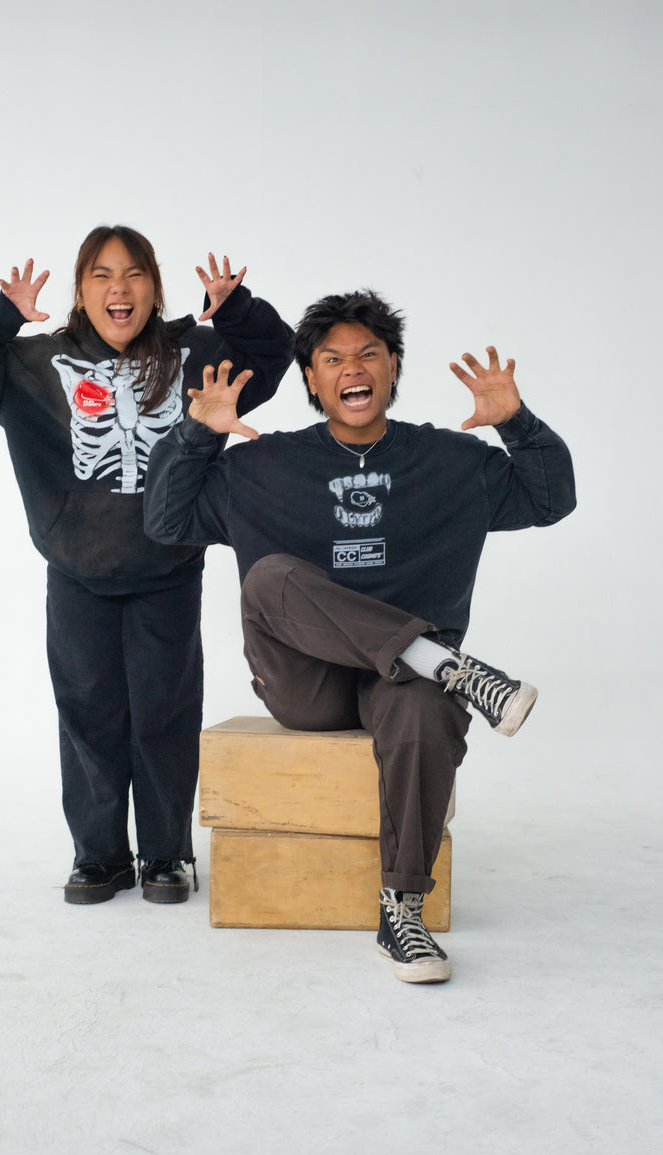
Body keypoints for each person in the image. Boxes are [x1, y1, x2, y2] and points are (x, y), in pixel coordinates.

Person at [143, 289, 576, 983]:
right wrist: (199, 433)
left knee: (425, 710)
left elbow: (552, 498)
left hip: (399, 687)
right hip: (304, 683)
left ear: (394, 367)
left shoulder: (450, 461)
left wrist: (517, 423)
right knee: (271, 577)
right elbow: (165, 523)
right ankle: (448, 664)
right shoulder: (263, 466)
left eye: (369, 353)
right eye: (333, 357)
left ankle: (401, 912)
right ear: (311, 377)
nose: (353, 367)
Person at [0, 226, 294, 906]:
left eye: (133, 275)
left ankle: (166, 855)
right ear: (80, 291)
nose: (118, 288)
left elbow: (276, 354)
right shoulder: (38, 364)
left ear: (155, 289)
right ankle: (98, 855)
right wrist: (4, 313)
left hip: (168, 568)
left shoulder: (196, 355)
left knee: (165, 711)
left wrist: (235, 307)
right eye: (101, 275)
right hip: (77, 570)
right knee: (89, 712)